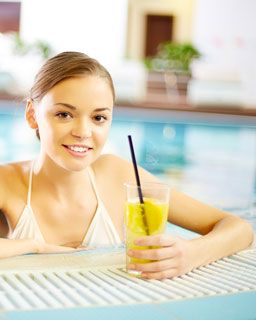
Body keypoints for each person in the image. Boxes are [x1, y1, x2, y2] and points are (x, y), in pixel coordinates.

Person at [0, 51, 253, 280]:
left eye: (99, 118)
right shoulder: (7, 182)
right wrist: (33, 246)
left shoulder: (119, 176)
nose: (83, 132)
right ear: (32, 115)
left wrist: (191, 253)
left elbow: (240, 229)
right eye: (64, 114)